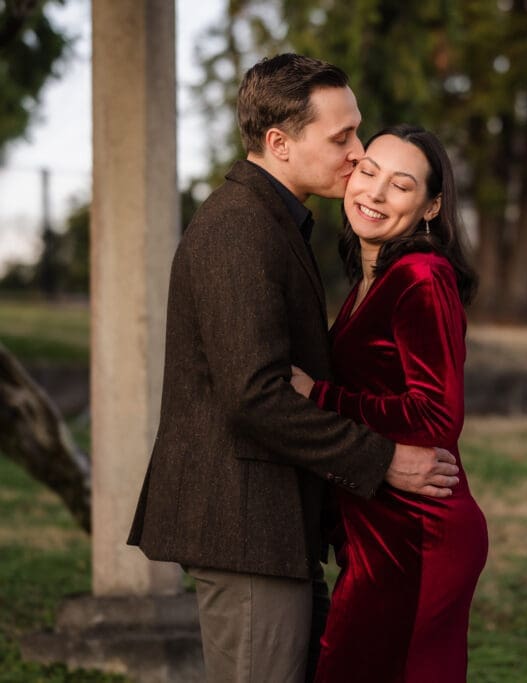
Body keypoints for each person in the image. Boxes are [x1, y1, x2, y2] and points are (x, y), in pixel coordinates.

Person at [127, 56, 460, 683]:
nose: (358, 153)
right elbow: (255, 396)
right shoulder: (239, 228)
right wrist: (384, 459)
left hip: (275, 525)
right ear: (279, 143)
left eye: (356, 131)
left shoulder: (276, 222)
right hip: (247, 525)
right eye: (342, 138)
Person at [289, 125, 489, 682]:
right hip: (379, 527)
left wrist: (318, 395)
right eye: (368, 172)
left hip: (417, 534)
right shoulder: (368, 281)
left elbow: (436, 415)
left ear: (431, 206)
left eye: (400, 185)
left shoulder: (422, 276)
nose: (374, 193)